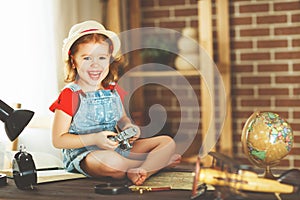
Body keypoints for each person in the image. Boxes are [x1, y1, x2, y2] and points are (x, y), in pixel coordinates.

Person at [49, 20, 181, 186]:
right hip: (86, 155)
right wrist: (95, 139)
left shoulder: (112, 90)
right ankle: (155, 165)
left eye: (102, 57)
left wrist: (128, 128)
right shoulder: (71, 95)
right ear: (73, 61)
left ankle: (140, 170)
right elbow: (58, 140)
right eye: (87, 58)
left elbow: (123, 120)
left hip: (118, 148)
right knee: (114, 164)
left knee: (167, 142)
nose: (95, 64)